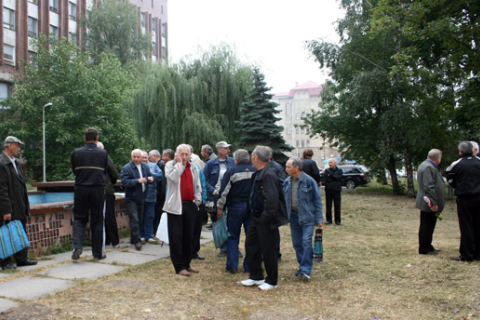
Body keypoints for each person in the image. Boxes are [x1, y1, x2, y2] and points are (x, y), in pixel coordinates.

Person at [240, 146, 288, 291]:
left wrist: (265, 217)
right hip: (255, 217)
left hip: (265, 219)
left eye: (252, 156)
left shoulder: (268, 175)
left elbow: (272, 200)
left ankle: (272, 280)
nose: (250, 159)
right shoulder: (258, 174)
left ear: (257, 158)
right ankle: (256, 276)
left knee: (268, 250)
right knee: (251, 246)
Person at [163, 144, 202, 276]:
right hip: (175, 205)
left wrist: (197, 200)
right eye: (182, 154)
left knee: (188, 236)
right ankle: (179, 266)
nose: (184, 157)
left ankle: (187, 263)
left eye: (186, 154)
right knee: (176, 237)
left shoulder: (194, 167)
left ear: (190, 155)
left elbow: (197, 185)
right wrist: (180, 164)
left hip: (190, 205)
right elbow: (173, 178)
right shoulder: (170, 165)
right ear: (176, 154)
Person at [0, 136, 37, 270]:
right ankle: (5, 262)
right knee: (6, 233)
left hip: (19, 204)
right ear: (9, 145)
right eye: (17, 145)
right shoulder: (2, 163)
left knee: (20, 231)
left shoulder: (16, 163)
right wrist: (6, 210)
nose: (18, 148)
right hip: (9, 205)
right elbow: (2, 189)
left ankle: (22, 259)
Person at [71, 128, 108, 260]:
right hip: (97, 188)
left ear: (84, 138)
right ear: (97, 138)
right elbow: (104, 170)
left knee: (79, 218)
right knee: (97, 220)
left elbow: (74, 170)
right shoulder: (102, 153)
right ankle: (98, 253)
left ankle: (77, 247)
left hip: (81, 188)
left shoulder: (77, 153)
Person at [284, 157, 323, 279]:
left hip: (307, 217)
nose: (286, 169)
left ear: (296, 168)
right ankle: (302, 266)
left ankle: (306, 269)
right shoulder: (287, 182)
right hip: (294, 217)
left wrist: (319, 218)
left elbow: (317, 200)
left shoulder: (309, 181)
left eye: (288, 167)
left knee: (306, 242)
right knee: (297, 243)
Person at [217, 149, 256, 273]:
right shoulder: (255, 171)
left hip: (235, 207)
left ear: (236, 160)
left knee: (233, 237)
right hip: (252, 207)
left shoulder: (231, 171)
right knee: (251, 237)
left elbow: (224, 192)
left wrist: (220, 207)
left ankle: (232, 266)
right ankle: (249, 266)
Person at [446, 141, 480, 261]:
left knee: (466, 226)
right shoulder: (478, 162)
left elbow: (449, 177)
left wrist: (459, 186)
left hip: (464, 197)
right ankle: (477, 253)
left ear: (460, 151)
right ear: (473, 150)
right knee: (477, 224)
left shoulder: (457, 164)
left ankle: (467, 254)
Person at [203, 141, 235, 257]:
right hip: (215, 196)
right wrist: (213, 190)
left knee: (231, 221)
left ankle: (233, 246)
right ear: (219, 150)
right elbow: (204, 180)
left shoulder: (232, 162)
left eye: (228, 148)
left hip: (230, 195)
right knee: (219, 221)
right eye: (226, 148)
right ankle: (223, 247)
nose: (228, 150)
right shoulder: (211, 164)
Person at [121, 149, 153, 251]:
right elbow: (124, 182)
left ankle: (134, 238)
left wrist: (151, 179)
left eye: (137, 157)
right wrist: (137, 181)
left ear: (141, 157)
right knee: (134, 218)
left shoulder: (145, 166)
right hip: (131, 198)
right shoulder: (127, 168)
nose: (135, 159)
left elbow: (149, 176)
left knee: (139, 219)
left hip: (142, 197)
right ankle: (137, 241)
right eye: (134, 157)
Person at [415, 149, 445, 255]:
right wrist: (433, 203)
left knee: (427, 224)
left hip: (426, 200)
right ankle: (424, 248)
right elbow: (429, 186)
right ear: (438, 158)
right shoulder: (428, 167)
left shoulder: (426, 165)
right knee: (427, 225)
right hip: (428, 202)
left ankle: (428, 245)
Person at [97, 142, 119, 248]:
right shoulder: (105, 157)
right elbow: (113, 172)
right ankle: (113, 240)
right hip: (107, 190)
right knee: (109, 215)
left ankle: (104, 240)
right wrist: (112, 182)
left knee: (99, 216)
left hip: (96, 190)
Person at [187, 145, 207, 261]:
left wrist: (203, 200)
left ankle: (194, 251)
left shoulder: (196, 167)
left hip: (198, 202)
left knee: (196, 228)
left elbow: (202, 184)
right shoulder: (175, 167)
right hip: (186, 203)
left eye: (187, 154)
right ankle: (186, 251)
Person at [143, 150, 163, 243]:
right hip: (139, 195)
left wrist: (151, 175)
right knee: (140, 215)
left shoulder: (154, 165)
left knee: (150, 215)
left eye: (145, 157)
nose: (144, 159)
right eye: (141, 157)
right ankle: (141, 234)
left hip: (151, 195)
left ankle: (149, 234)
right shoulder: (133, 167)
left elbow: (160, 175)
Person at [153, 149, 174, 235]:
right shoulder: (166, 164)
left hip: (166, 193)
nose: (162, 158)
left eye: (163, 156)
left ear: (168, 156)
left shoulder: (164, 165)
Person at [324, 158, 343, 225]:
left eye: (331, 162)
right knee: (328, 206)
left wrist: (332, 176)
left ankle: (337, 220)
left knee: (337, 205)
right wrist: (333, 177)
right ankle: (329, 220)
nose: (330, 164)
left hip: (336, 190)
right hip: (328, 190)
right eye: (329, 163)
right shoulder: (326, 171)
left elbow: (337, 177)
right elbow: (326, 178)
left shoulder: (339, 170)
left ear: (335, 163)